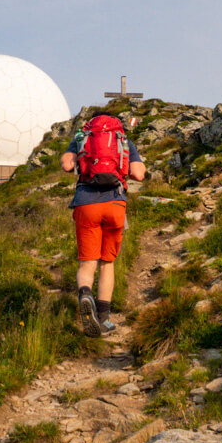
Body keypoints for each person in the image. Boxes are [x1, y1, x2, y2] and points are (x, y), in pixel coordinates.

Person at [60, 113, 147, 336]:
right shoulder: (123, 140)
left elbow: (66, 166)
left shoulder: (82, 138)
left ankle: (85, 294)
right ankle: (104, 319)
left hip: (86, 203)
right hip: (115, 204)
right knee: (107, 264)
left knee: (87, 264)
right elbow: (138, 174)